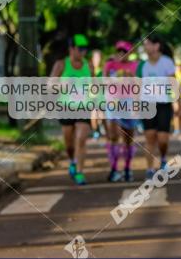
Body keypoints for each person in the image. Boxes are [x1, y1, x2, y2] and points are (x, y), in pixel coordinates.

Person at [50, 34, 93, 186]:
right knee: (69, 143)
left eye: (85, 49)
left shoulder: (89, 65)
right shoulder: (61, 64)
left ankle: (80, 172)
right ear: (71, 49)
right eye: (80, 49)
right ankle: (73, 161)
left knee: (81, 139)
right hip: (66, 107)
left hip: (83, 107)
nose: (83, 52)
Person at [139, 33, 177, 179]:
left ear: (156, 46)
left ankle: (162, 158)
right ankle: (149, 169)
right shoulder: (143, 65)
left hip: (163, 104)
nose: (145, 46)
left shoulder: (166, 62)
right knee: (149, 137)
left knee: (162, 139)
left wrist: (177, 103)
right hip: (147, 104)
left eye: (148, 43)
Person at [103, 40, 138, 182]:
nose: (121, 54)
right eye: (119, 51)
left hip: (129, 103)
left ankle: (128, 169)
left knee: (128, 138)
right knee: (113, 136)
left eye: (125, 51)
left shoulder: (135, 66)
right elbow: (104, 81)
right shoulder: (110, 65)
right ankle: (114, 169)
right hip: (113, 102)